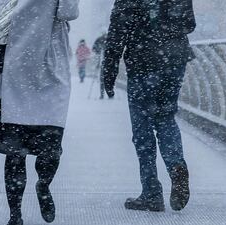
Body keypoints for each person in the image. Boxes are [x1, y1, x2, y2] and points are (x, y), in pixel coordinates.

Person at [0, 0, 78, 224]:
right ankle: (29, 200)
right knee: (34, 148)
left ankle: (28, 201)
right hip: (36, 71)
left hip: (29, 70)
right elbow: (68, 11)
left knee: (29, 150)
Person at [102, 0, 196, 212]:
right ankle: (176, 166)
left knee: (142, 129)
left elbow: (118, 32)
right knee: (166, 117)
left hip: (143, 60)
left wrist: (109, 70)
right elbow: (189, 24)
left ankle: (151, 193)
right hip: (175, 59)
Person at [92, 33, 108, 99]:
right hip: (108, 62)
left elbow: (94, 48)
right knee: (108, 78)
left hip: (103, 62)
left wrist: (97, 51)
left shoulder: (99, 40)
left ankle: (102, 94)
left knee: (102, 79)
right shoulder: (109, 38)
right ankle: (109, 93)